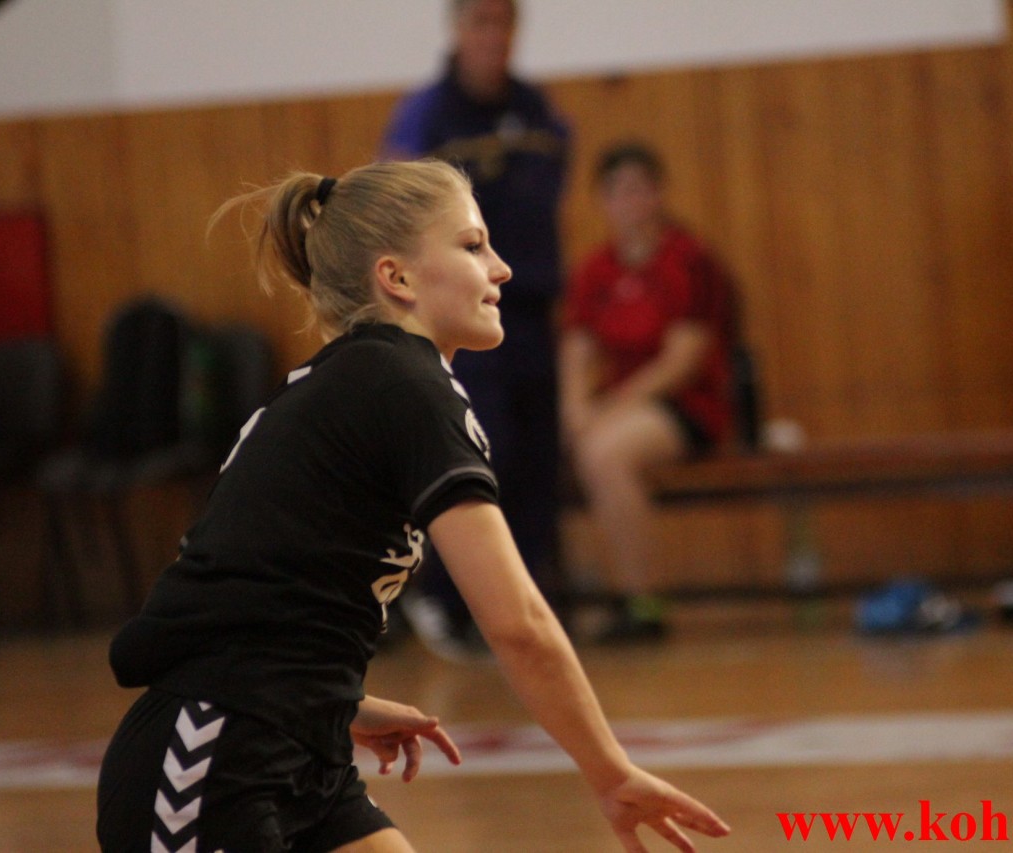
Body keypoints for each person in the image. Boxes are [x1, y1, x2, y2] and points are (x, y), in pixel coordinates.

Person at [95, 160, 730, 853]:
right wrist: (610, 771)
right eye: (472, 245)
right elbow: (517, 623)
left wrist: (339, 701)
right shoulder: (402, 384)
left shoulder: (369, 379)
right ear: (396, 277)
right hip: (210, 750)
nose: (502, 268)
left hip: (298, 742)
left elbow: (271, 587)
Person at [379, 0, 569, 659]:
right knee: (481, 457)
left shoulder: (537, 111)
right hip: (463, 320)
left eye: (504, 23)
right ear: (458, 30)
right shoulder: (426, 114)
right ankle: (446, 601)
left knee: (537, 463)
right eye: (481, 23)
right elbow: (395, 208)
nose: (495, 37)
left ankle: (523, 610)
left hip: (530, 313)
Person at [561, 142, 737, 643]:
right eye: (617, 191)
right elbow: (577, 349)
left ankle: (642, 602)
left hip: (686, 406)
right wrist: (575, 409)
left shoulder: (689, 260)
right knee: (570, 448)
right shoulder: (597, 269)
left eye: (639, 189)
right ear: (602, 201)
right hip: (618, 408)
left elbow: (681, 362)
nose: (630, 202)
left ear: (658, 194)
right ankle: (573, 595)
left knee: (606, 455)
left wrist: (607, 410)